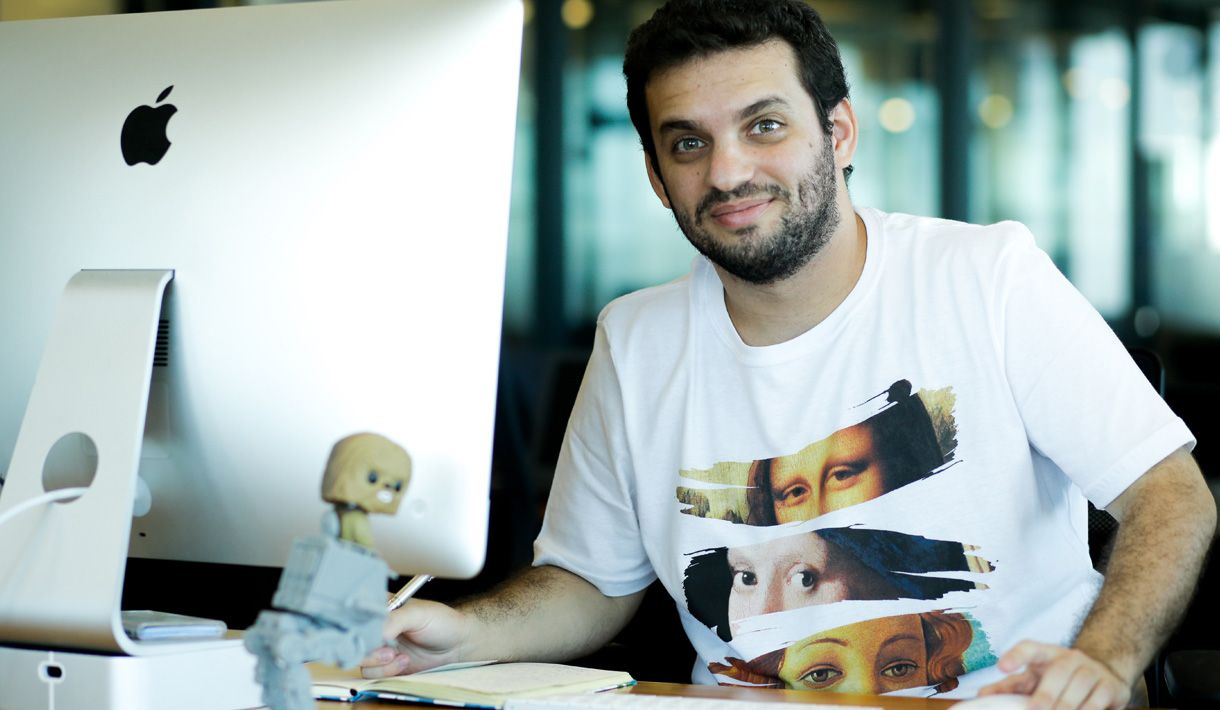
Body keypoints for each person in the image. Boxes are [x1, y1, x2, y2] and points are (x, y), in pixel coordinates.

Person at [363, 1, 1215, 707]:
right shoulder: (635, 340)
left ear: (838, 132)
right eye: (688, 143)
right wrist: (462, 634)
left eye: (764, 125)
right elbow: (590, 583)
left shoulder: (987, 277)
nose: (727, 172)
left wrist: (1105, 661)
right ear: (657, 177)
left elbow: (1170, 496)